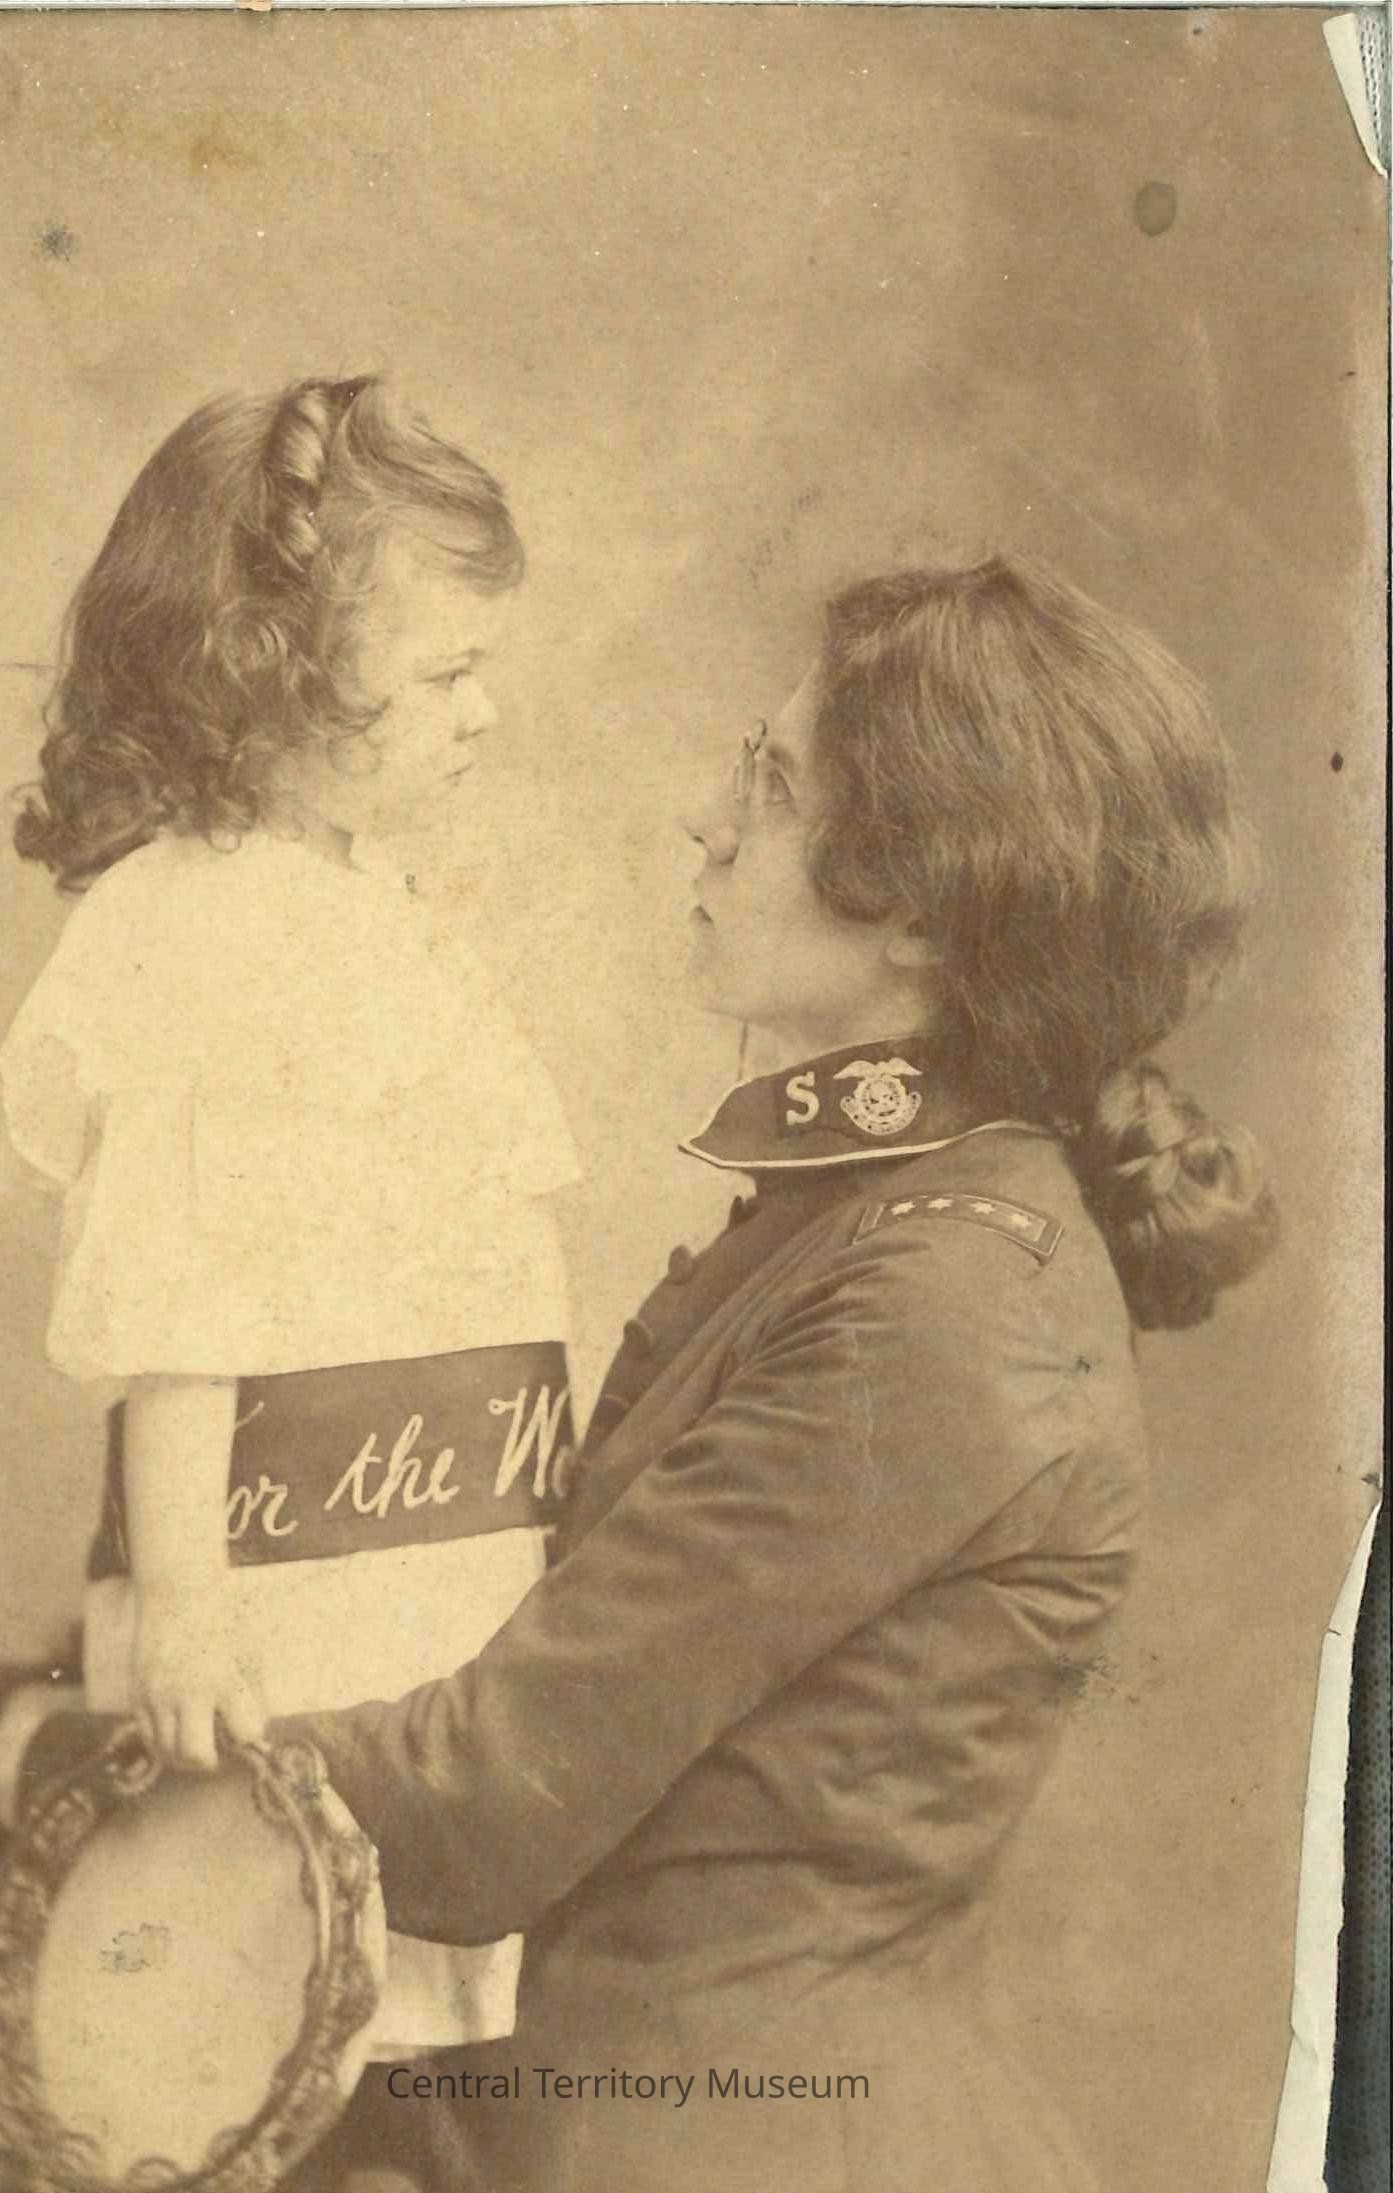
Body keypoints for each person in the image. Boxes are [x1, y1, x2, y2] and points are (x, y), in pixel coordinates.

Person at [268, 556, 1281, 2193]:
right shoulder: (878, 1219)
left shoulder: (940, 1297)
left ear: (924, 909)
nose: (703, 820)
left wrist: (106, 1752)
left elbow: (482, 1803)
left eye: (769, 784)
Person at [0, 375, 580, 2069]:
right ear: (273, 679)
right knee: (280, 1975)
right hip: (283, 1571)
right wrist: (186, 1598)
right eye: (443, 675)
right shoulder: (211, 929)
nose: (483, 712)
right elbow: (180, 1290)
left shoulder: (352, 898)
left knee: (413, 1958)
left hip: (423, 1537)